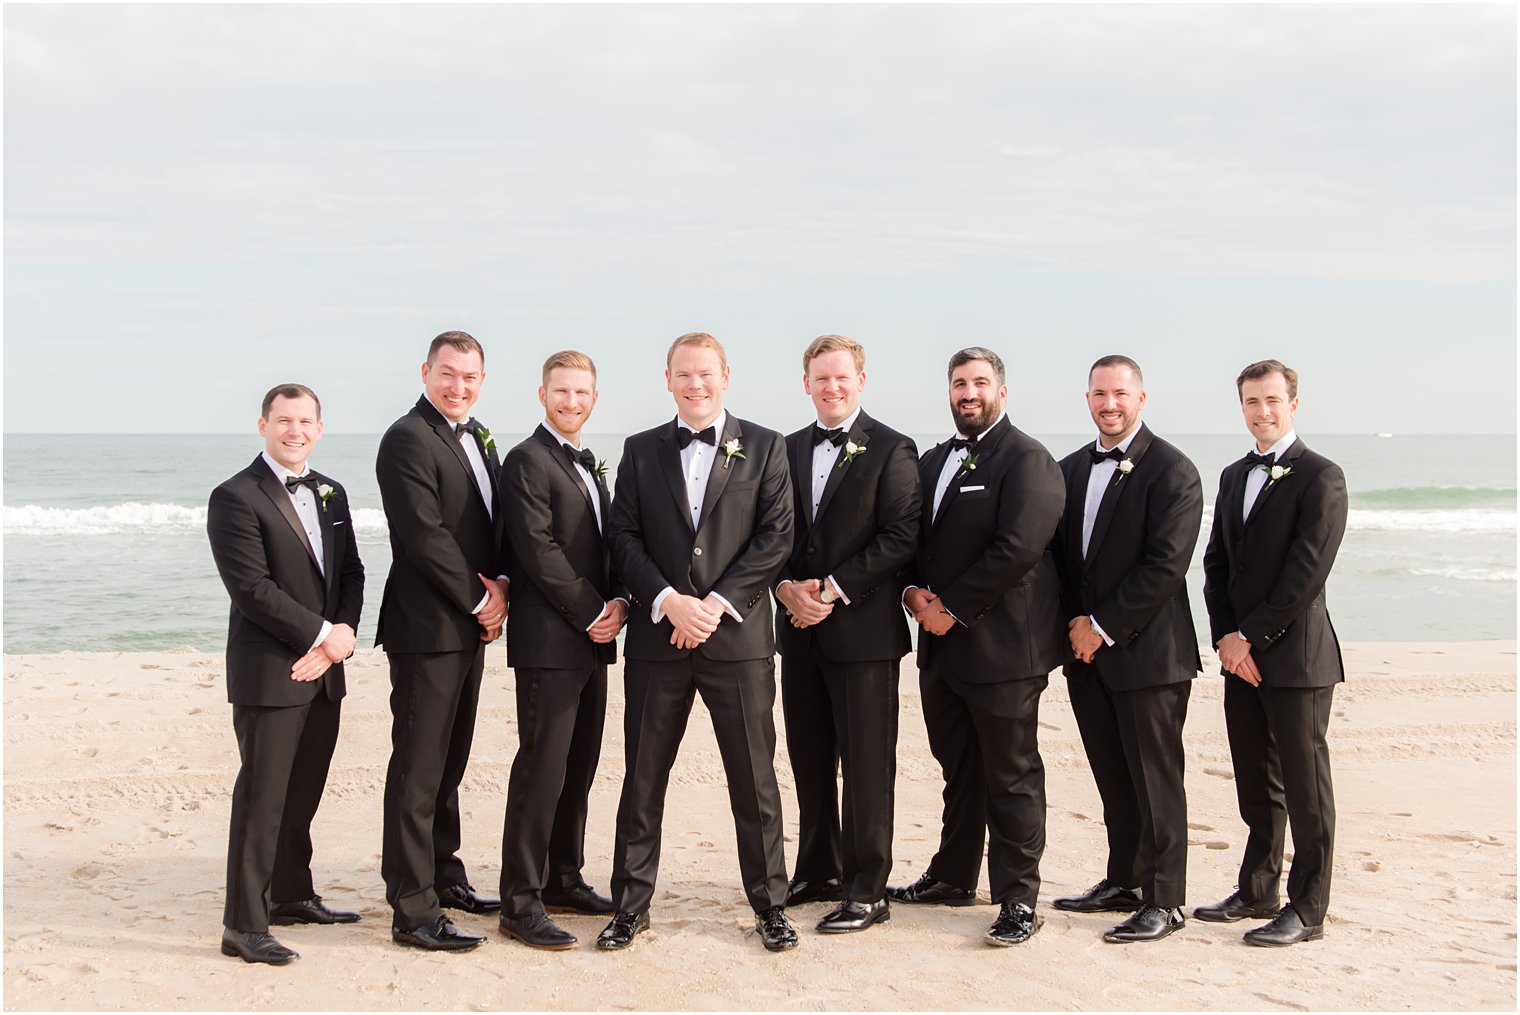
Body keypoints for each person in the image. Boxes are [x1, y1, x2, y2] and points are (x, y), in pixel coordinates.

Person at [598, 332, 799, 952]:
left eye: (705, 374)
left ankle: (770, 904)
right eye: (684, 375)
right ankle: (631, 905)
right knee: (643, 776)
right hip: (659, 641)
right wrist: (667, 601)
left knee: (754, 778)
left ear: (725, 375)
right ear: (667, 380)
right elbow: (623, 537)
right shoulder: (638, 450)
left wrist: (712, 606)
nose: (696, 385)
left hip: (736, 643)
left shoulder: (766, 446)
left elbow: (776, 537)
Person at [891, 347, 1066, 947]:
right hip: (940, 651)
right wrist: (912, 590)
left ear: (1002, 391)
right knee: (957, 768)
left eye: (980, 383)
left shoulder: (1029, 460)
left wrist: (952, 608)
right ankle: (953, 875)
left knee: (1011, 774)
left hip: (1003, 653)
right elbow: (911, 539)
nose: (969, 392)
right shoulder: (934, 459)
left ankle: (1019, 898)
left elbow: (1017, 549)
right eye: (960, 383)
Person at [207, 383, 365, 965]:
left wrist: (340, 640)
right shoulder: (234, 496)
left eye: (304, 421)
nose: (294, 430)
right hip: (271, 670)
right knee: (262, 798)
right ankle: (243, 925)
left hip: (324, 670)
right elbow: (252, 590)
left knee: (303, 792)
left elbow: (352, 573)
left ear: (319, 428)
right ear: (262, 425)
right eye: (283, 420)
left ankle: (292, 895)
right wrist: (325, 637)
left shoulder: (332, 492)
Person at [1049, 355, 1203, 943]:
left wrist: (1102, 626)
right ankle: (1124, 878)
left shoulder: (1173, 471)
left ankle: (1166, 900)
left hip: (1149, 654)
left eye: (1118, 393)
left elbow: (1164, 566)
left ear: (1141, 398)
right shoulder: (1067, 470)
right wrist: (1071, 629)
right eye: (1098, 393)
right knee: (1113, 775)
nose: (1108, 403)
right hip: (1085, 656)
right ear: (1086, 398)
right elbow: (1058, 562)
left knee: (1156, 777)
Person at [773, 334, 920, 933]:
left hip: (863, 635)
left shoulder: (892, 448)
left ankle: (867, 888)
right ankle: (817, 867)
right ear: (805, 382)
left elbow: (901, 535)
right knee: (809, 757)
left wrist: (830, 590)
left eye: (842, 377)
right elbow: (769, 533)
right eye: (820, 377)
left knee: (865, 765)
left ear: (861, 379)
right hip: (798, 632)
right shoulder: (782, 449)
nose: (831, 387)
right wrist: (785, 589)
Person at [1198, 358, 1347, 947]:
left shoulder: (1321, 476)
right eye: (1251, 402)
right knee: (1255, 780)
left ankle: (1307, 908)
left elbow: (1305, 574)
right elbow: (1216, 565)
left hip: (1298, 660)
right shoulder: (1234, 475)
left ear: (1293, 404)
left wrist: (1249, 637)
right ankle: (1257, 888)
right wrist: (1225, 637)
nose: (1262, 412)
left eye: (1272, 401)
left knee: (1306, 788)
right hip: (1241, 659)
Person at [375, 331, 510, 952]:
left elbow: (492, 526)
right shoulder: (406, 438)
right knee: (418, 766)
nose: (459, 386)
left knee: (450, 760)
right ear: (425, 370)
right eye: (448, 374)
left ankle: (444, 875)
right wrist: (484, 599)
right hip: (427, 628)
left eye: (470, 377)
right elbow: (424, 534)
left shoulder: (478, 437)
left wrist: (503, 584)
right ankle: (412, 907)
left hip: (468, 627)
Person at [496, 351, 626, 950]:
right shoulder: (526, 460)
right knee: (541, 769)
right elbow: (537, 550)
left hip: (592, 641)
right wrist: (594, 610)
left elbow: (602, 548)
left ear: (594, 398)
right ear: (542, 394)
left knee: (579, 766)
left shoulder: (588, 463)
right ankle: (519, 900)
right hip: (551, 641)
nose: (572, 401)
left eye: (582, 392)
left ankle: (562, 877)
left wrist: (621, 601)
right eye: (562, 391)